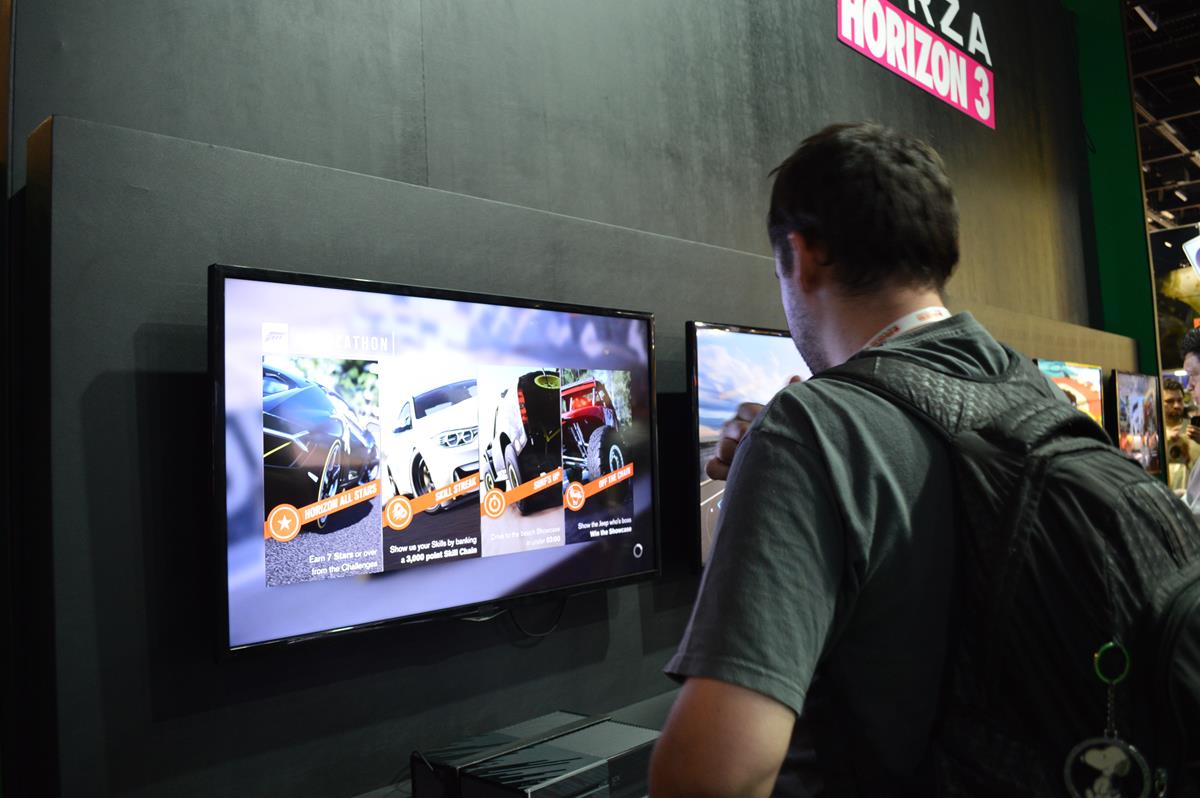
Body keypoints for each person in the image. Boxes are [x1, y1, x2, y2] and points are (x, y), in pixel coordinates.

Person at [648, 123, 1028, 796]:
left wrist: (785, 459)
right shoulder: (1031, 392)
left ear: (803, 254)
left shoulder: (809, 430)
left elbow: (713, 778)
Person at [1163, 377, 1198, 493]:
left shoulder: (1194, 431)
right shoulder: (1153, 434)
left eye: (1180, 400)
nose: (1177, 405)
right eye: (1170, 401)